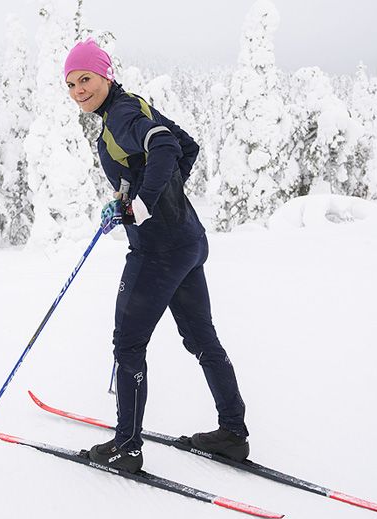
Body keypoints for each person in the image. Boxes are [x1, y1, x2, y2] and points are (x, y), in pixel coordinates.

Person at [64, 39, 248, 473]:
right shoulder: (133, 107)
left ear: (105, 75)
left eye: (85, 79)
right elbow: (187, 146)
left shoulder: (122, 115)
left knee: (128, 344)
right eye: (71, 84)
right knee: (203, 339)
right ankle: (233, 433)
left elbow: (165, 147)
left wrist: (143, 204)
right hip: (188, 241)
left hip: (158, 252)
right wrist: (146, 194)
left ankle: (127, 446)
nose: (78, 90)